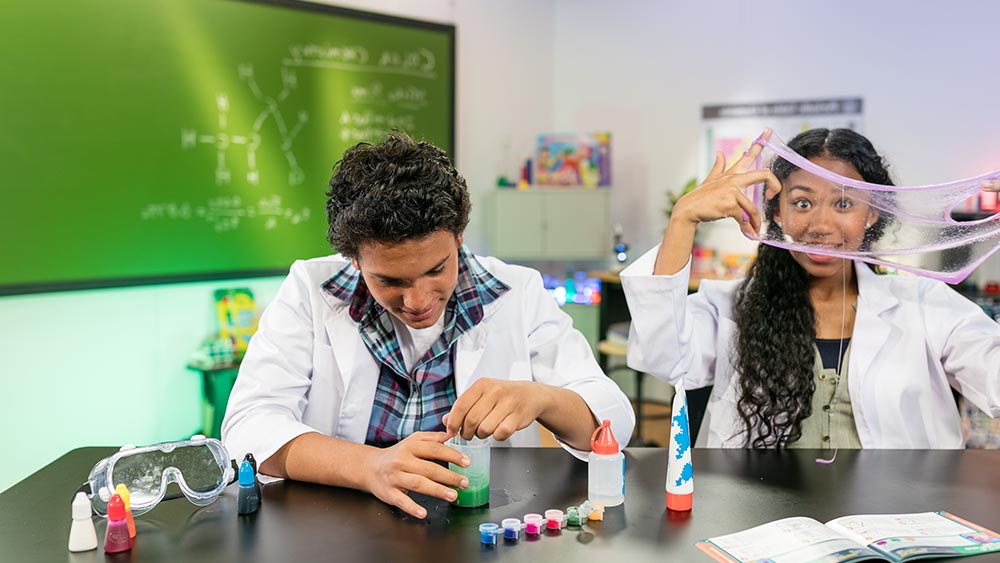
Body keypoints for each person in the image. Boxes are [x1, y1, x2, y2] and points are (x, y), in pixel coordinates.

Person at [223, 132, 634, 518]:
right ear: (354, 259)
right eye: (390, 281)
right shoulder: (310, 290)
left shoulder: (518, 292)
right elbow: (248, 427)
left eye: (437, 270)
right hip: (342, 520)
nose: (418, 302)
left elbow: (614, 419)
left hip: (483, 521)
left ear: (459, 236)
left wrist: (542, 398)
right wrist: (370, 466)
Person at [621, 127, 1000, 449]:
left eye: (843, 203)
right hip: (760, 509)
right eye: (802, 203)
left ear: (872, 213)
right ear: (777, 211)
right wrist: (683, 219)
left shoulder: (926, 306)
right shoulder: (730, 307)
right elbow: (663, 358)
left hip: (893, 510)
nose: (820, 225)